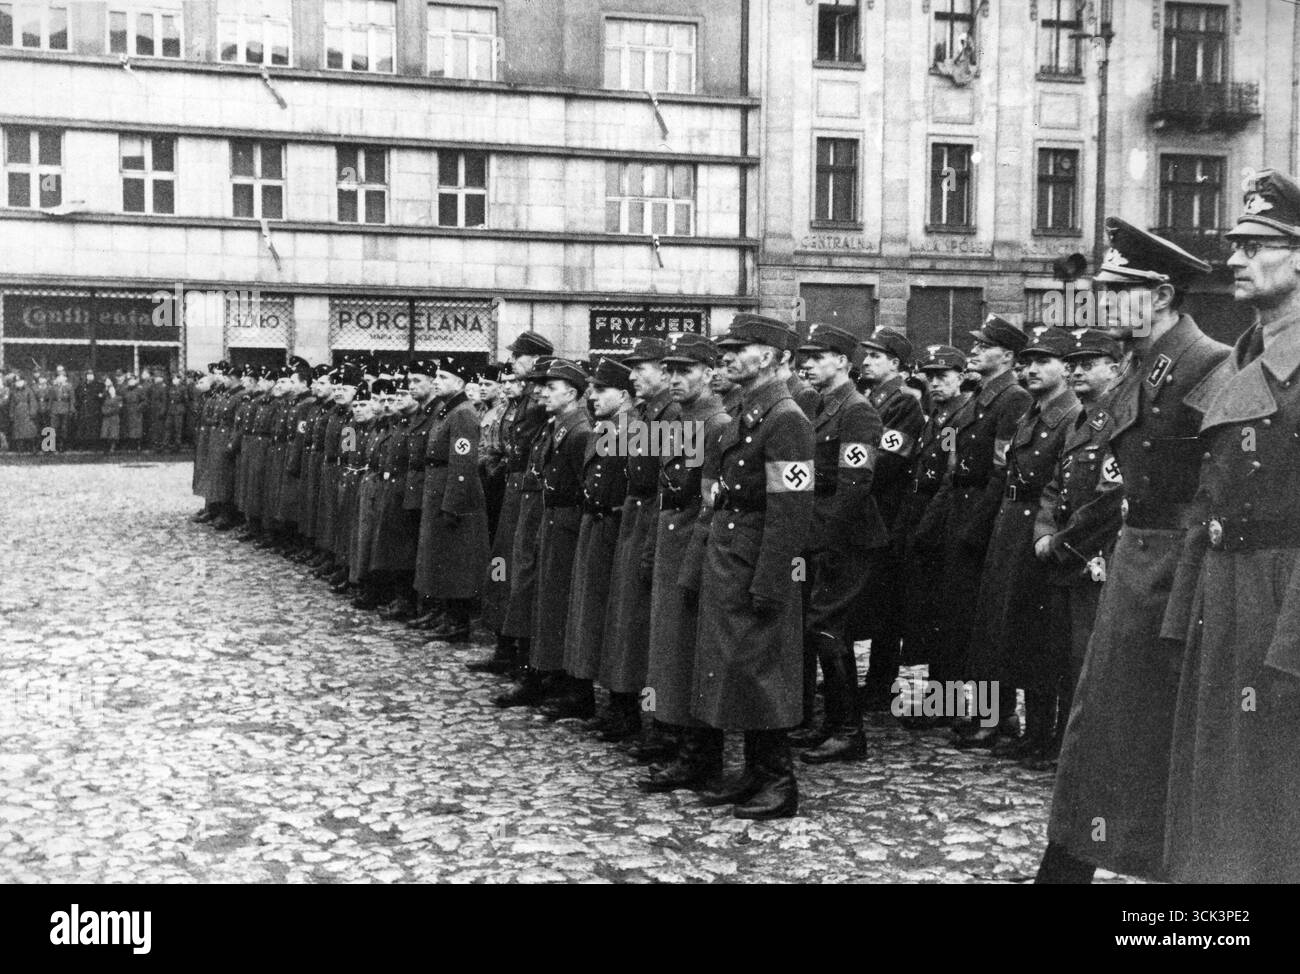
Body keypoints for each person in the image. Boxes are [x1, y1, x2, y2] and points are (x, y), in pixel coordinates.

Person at [1038, 217, 1229, 884]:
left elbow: (1214, 491)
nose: (1099, 304)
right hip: (1133, 565)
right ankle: (1069, 866)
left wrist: (1182, 593)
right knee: (1099, 733)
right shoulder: (1142, 368)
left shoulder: (1209, 364)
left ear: (1161, 294)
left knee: (1149, 742)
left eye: (1116, 291)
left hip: (1173, 576)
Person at [1160, 168, 1300, 883]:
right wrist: (1182, 615)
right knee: (1215, 792)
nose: (1236, 260)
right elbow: (1206, 501)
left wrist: (1292, 647)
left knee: (1272, 801)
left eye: (1256, 245)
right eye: (1234, 244)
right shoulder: (1242, 354)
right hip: (1225, 600)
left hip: (1277, 605)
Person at [692, 313, 814, 820]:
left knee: (763, 671)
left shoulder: (787, 419)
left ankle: (780, 782)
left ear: (767, 356)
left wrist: (771, 580)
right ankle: (753, 772)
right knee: (737, 669)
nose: (726, 357)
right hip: (731, 557)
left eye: (738, 349)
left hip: (757, 563)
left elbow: (792, 510)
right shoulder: (748, 413)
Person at [967, 328, 1081, 761]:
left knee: (1039, 636)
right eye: (1027, 361)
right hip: (1011, 525)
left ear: (1066, 370)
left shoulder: (1072, 417)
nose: (1031, 369)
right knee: (1005, 629)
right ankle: (1011, 724)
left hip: (1039, 529)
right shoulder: (1031, 413)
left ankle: (1042, 734)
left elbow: (1066, 486)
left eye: (1043, 362)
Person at [789, 323, 886, 764]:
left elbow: (855, 483)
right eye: (803, 357)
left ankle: (849, 732)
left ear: (844, 363)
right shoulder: (817, 405)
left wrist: (822, 538)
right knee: (821, 628)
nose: (806, 364)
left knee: (827, 628)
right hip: (821, 535)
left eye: (817, 356)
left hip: (847, 537)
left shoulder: (857, 410)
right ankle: (832, 725)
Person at [1029, 329, 1124, 771]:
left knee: (1088, 657)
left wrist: (1062, 543)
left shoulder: (1118, 422)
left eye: (1091, 363)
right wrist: (1043, 531)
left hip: (1093, 558)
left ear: (1116, 368)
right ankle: (1065, 747)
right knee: (1062, 654)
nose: (1079, 370)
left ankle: (1086, 755)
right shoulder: (1081, 423)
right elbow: (1054, 486)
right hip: (1065, 555)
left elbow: (1107, 498)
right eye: (1075, 364)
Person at [639, 335, 731, 790]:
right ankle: (676, 740)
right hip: (672, 535)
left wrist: (694, 560)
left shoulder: (716, 424)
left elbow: (711, 501)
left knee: (692, 651)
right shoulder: (681, 419)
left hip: (696, 540)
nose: (675, 380)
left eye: (686, 371)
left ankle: (699, 756)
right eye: (670, 371)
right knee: (672, 650)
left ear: (710, 374)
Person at [939, 316, 1033, 749]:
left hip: (985, 519)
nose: (973, 351)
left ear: (1009, 356)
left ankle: (1000, 716)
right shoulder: (983, 396)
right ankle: (978, 710)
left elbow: (1003, 471)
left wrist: (974, 529)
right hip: (964, 513)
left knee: (993, 624)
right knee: (971, 623)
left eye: (984, 346)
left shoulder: (1012, 399)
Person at [599, 337, 682, 757]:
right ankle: (625, 707)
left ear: (665, 372)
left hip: (656, 513)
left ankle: (655, 721)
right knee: (627, 613)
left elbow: (674, 482)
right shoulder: (644, 413)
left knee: (646, 620)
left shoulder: (674, 414)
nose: (632, 377)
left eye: (640, 369)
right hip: (635, 510)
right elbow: (612, 457)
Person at [896, 345, 971, 729]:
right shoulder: (935, 416)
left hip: (941, 523)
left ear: (960, 377)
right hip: (922, 514)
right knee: (931, 616)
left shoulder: (959, 416)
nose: (936, 382)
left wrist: (926, 527)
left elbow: (949, 476)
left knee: (946, 618)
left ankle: (947, 701)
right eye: (931, 376)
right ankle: (937, 697)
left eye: (944, 375)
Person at [469, 331, 552, 675]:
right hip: (513, 489)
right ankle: (504, 644)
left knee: (520, 569)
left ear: (533, 360)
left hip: (529, 492)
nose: (513, 363)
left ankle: (518, 652)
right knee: (502, 566)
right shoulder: (521, 402)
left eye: (518, 357)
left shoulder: (538, 400)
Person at [851, 328, 925, 712]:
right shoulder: (872, 398)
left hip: (886, 511)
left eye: (876, 356)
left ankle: (880, 685)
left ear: (895, 363)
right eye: (867, 355)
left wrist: (851, 482)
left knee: (884, 605)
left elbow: (890, 459)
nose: (866, 361)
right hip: (869, 508)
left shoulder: (904, 404)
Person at [564, 358, 635, 734]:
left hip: (616, 526)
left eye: (600, 389)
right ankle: (604, 701)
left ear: (623, 394)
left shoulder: (636, 430)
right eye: (590, 389)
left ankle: (624, 709)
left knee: (615, 619)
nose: (591, 396)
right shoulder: (603, 428)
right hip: (596, 523)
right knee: (593, 615)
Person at [527, 359, 595, 717]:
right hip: (555, 519)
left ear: (571, 393)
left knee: (564, 603)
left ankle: (574, 689)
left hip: (568, 523)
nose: (543, 393)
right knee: (550, 601)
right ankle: (553, 678)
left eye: (551, 388)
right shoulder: (560, 426)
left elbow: (587, 485)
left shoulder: (580, 430)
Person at [413, 355, 489, 643]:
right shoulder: (449, 411)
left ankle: (458, 622)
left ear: (460, 382)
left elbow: (463, 462)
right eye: (437, 376)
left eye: (443, 377)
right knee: (441, 557)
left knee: (456, 561)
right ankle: (446, 616)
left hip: (454, 494)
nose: (436, 381)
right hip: (438, 488)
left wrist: (452, 503)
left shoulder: (463, 414)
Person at [9, 376, 38, 452]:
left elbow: (33, 402)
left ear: (24, 381)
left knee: (30, 431)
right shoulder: (14, 392)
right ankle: (20, 449)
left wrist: (32, 412)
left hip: (27, 412)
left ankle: (33, 448)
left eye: (20, 381)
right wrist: (11, 414)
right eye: (17, 381)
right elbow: (12, 404)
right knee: (18, 432)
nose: (19, 383)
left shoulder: (29, 391)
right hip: (17, 413)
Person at [120, 375, 146, 453]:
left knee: (137, 429)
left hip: (136, 411)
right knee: (127, 428)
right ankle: (129, 445)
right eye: (129, 380)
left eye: (132, 380)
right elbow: (122, 400)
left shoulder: (139, 390)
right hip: (127, 411)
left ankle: (138, 445)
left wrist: (139, 408)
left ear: (135, 381)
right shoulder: (125, 390)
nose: (131, 381)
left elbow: (144, 401)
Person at [50, 372, 74, 451]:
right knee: (54, 427)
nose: (60, 378)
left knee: (64, 428)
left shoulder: (69, 387)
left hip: (65, 408)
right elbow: (51, 399)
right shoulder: (54, 387)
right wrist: (50, 409)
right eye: (59, 377)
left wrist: (71, 409)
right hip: (55, 408)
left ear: (65, 378)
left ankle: (62, 445)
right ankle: (54, 445)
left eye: (62, 377)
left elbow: (72, 399)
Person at [99, 380, 122, 453]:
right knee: (106, 432)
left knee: (114, 433)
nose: (111, 391)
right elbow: (103, 407)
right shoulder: (106, 399)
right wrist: (104, 412)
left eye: (112, 389)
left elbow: (118, 408)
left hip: (114, 417)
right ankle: (106, 447)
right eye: (110, 390)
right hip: (106, 418)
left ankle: (113, 447)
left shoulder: (119, 398)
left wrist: (109, 411)